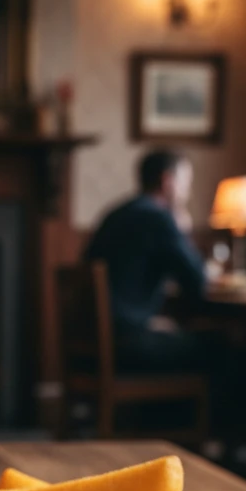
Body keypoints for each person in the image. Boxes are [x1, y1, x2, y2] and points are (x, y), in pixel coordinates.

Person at [85, 148, 209, 373]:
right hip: (129, 340)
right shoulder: (159, 218)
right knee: (222, 347)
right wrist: (184, 230)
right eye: (185, 183)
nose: (187, 193)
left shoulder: (115, 214)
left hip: (97, 335)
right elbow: (196, 281)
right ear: (168, 181)